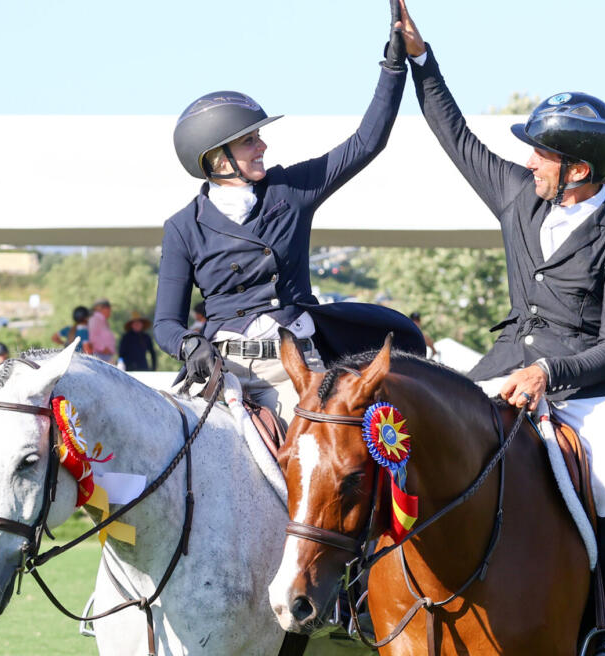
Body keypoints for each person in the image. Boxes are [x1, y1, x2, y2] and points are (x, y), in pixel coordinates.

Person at [400, 1, 605, 656]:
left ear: (578, 169)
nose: (528, 160)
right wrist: (422, 59)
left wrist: (548, 372)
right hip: (501, 367)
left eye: (542, 153)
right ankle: (376, 593)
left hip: (582, 390)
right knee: (420, 442)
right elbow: (452, 135)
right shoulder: (517, 196)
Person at [152, 3, 424, 416]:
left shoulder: (290, 190)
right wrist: (189, 343)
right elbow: (164, 324)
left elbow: (366, 143)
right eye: (250, 141)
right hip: (223, 366)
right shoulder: (183, 227)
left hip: (292, 366)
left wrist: (392, 65)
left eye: (258, 137)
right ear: (218, 159)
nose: (263, 146)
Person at [87, 299, 117, 365]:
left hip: (104, 355)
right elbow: (93, 337)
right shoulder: (95, 318)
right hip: (101, 355)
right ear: (103, 309)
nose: (110, 311)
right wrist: (103, 348)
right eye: (108, 308)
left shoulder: (102, 320)